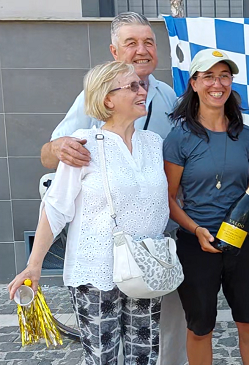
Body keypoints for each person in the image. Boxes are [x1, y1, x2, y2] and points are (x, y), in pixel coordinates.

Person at [38, 12, 187, 365]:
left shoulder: (170, 97)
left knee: (157, 338)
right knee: (104, 349)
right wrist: (60, 148)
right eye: (131, 43)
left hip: (156, 245)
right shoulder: (97, 94)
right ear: (114, 51)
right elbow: (51, 154)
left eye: (149, 42)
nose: (142, 50)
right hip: (104, 249)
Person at [8, 61, 169, 365]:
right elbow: (56, 207)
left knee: (145, 357)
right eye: (132, 86)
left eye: (142, 85)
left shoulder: (153, 143)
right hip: (95, 272)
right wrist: (34, 265)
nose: (142, 90)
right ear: (108, 99)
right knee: (101, 359)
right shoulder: (83, 144)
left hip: (145, 266)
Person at [163, 48, 249, 365]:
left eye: (224, 76)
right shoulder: (179, 138)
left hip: (244, 242)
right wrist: (196, 231)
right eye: (209, 76)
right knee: (200, 328)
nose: (217, 83)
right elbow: (169, 199)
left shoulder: (245, 135)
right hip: (197, 245)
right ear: (194, 83)